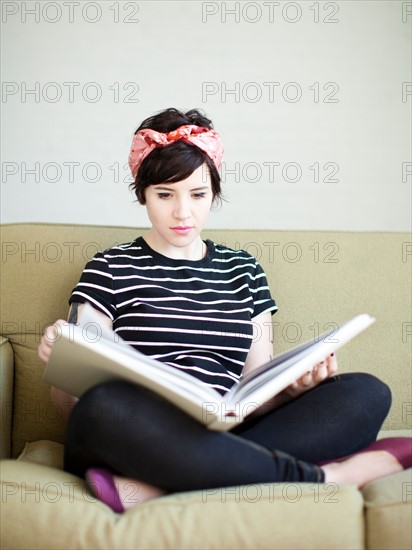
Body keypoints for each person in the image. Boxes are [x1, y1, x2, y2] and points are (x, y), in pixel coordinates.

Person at [38, 107, 411, 513]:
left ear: (214, 193)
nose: (183, 212)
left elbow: (255, 385)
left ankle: (162, 486)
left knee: (366, 393)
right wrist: (64, 366)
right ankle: (324, 477)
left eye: (198, 195)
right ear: (142, 192)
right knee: (103, 406)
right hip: (135, 431)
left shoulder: (245, 270)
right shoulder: (108, 268)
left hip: (231, 427)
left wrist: (293, 388)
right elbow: (69, 406)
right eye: (165, 195)